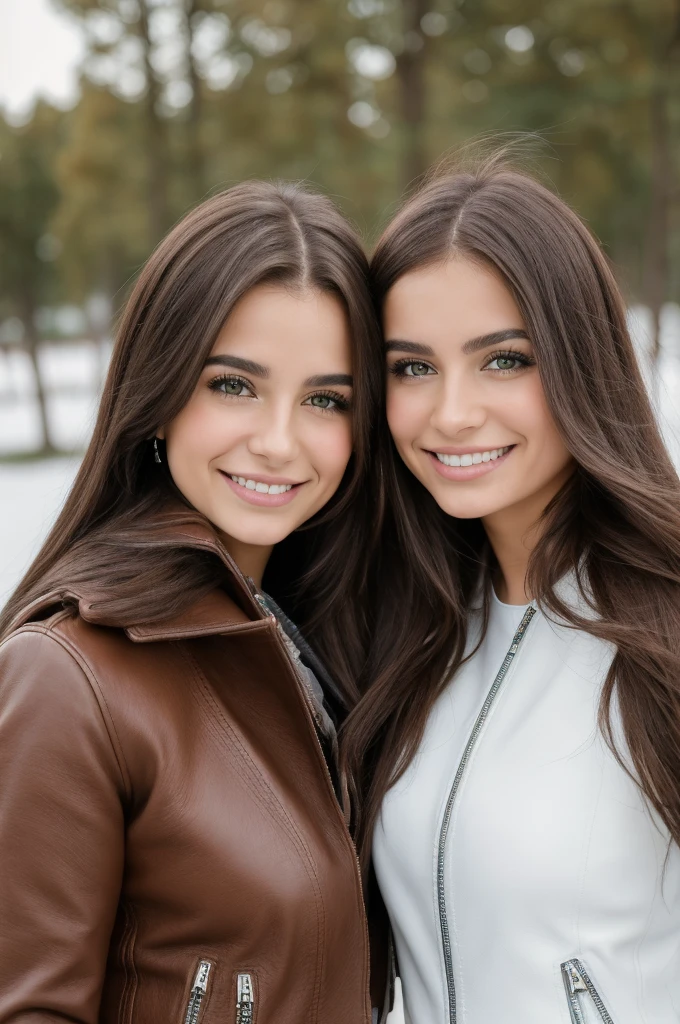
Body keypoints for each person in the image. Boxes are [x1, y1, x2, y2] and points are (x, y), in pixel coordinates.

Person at [0, 181, 386, 1023]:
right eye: (233, 385)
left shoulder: (315, 646)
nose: (279, 440)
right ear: (160, 389)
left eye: (325, 399)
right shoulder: (67, 676)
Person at [340, 156, 680, 1024]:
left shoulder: (664, 622)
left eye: (504, 360)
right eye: (413, 369)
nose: (452, 413)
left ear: (579, 359)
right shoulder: (401, 628)